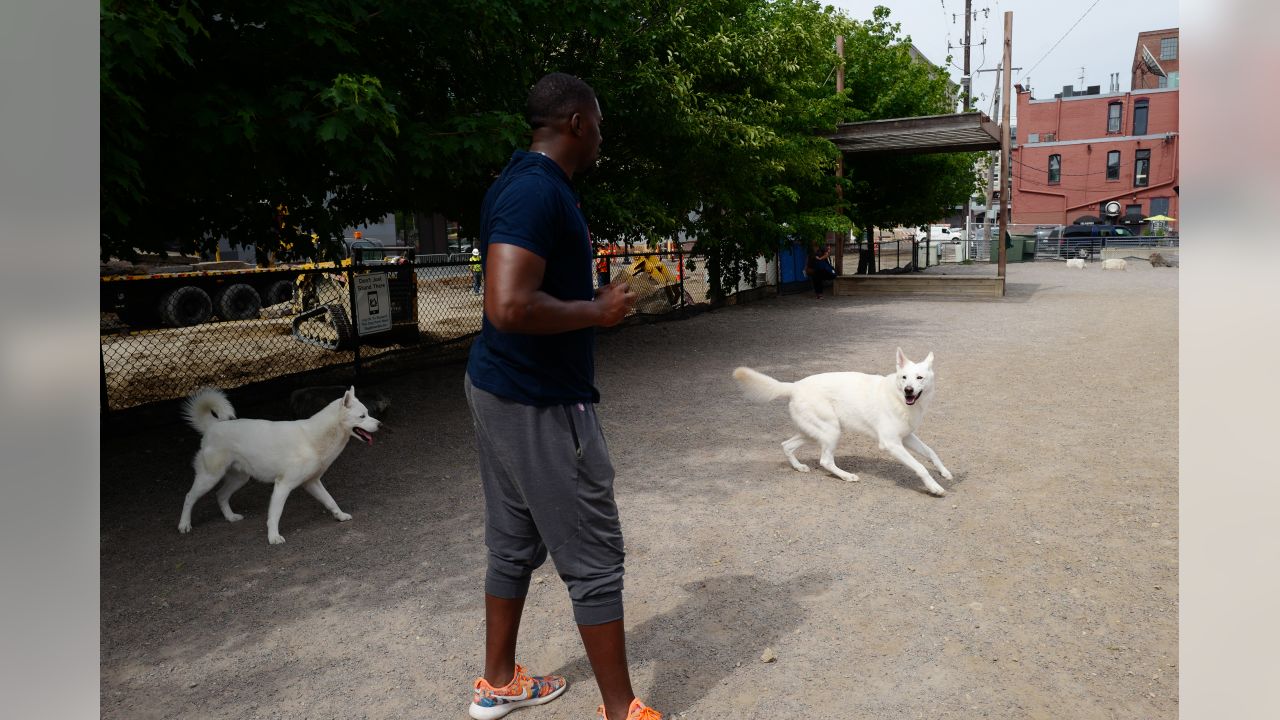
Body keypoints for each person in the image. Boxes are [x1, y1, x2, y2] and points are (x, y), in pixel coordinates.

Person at [463, 72, 661, 720]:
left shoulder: (531, 186)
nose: (602, 137)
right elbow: (509, 304)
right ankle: (620, 710)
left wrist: (595, 303)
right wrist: (595, 312)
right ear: (576, 122)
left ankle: (498, 682)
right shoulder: (533, 192)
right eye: (598, 124)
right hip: (538, 400)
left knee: (514, 541)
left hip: (504, 389)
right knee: (595, 555)